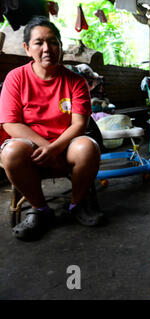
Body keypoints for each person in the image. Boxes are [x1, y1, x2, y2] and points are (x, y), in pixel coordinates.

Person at [0, 16, 104, 241]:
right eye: (39, 42)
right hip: (32, 146)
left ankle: (77, 204)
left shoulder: (76, 81)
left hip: (66, 144)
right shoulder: (15, 78)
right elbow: (10, 123)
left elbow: (79, 124)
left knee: (88, 146)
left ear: (60, 47)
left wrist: (56, 148)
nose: (47, 48)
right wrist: (47, 147)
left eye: (53, 42)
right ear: (27, 48)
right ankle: (40, 210)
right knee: (10, 153)